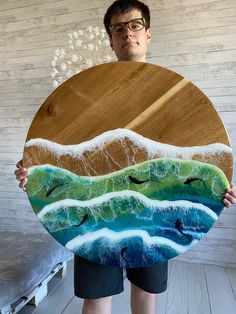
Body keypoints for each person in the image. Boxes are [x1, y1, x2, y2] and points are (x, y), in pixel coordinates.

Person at [15, 1, 236, 313]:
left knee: (147, 293)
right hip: (91, 216)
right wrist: (34, 174)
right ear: (111, 40)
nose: (127, 33)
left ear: (148, 34)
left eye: (135, 25)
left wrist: (217, 189)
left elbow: (197, 153)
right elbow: (64, 150)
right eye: (118, 28)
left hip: (157, 211)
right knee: (96, 297)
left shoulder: (172, 94)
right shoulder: (86, 96)